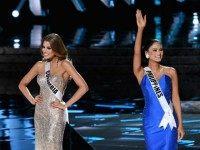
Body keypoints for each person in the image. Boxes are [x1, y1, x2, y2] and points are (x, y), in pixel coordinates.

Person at [18, 33, 89, 150]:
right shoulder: (39, 65)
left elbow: (84, 87)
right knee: (41, 146)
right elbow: (22, 84)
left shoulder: (65, 64)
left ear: (56, 49)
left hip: (56, 113)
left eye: (48, 48)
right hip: (40, 112)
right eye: (43, 47)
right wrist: (32, 99)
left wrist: (66, 105)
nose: (44, 51)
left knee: (54, 146)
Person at [133, 9, 185, 149]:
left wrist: (180, 123)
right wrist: (140, 29)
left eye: (160, 50)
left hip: (169, 122)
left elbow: (175, 98)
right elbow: (136, 52)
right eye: (154, 50)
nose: (158, 53)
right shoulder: (141, 73)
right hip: (151, 122)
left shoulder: (170, 72)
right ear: (147, 54)